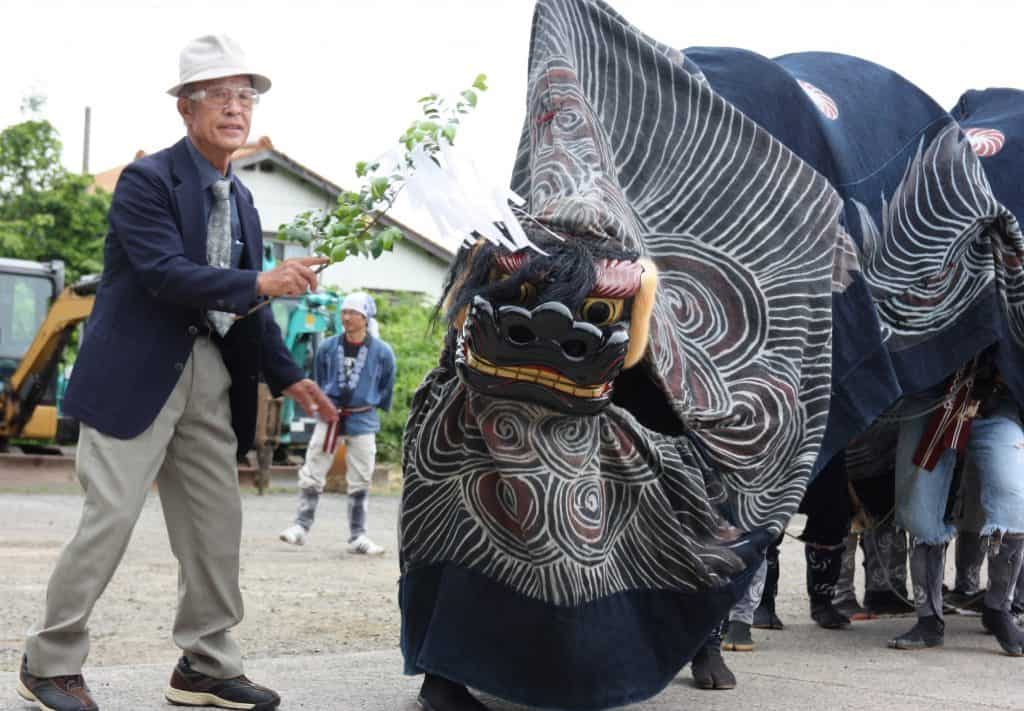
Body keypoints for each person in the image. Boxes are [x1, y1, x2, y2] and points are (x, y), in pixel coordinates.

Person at [16, 34, 336, 711]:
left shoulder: (244, 199)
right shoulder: (147, 180)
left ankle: (206, 664)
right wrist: (261, 278)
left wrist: (288, 376)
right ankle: (49, 662)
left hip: (210, 376)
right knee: (111, 518)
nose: (234, 108)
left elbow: (253, 306)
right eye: (218, 95)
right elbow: (166, 274)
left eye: (244, 96)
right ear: (186, 110)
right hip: (138, 374)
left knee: (216, 525)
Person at [889, 349, 1024, 656]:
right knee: (920, 514)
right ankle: (928, 621)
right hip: (930, 401)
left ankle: (998, 610)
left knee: (1014, 501)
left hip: (997, 403)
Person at [279, 292, 395, 555]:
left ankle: (358, 535)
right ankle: (300, 526)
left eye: (353, 313)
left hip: (363, 418)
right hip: (329, 415)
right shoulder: (328, 347)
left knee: (361, 476)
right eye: (344, 312)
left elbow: (387, 383)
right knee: (313, 468)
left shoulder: (382, 352)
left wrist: (375, 406)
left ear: (365, 318)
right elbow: (319, 377)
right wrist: (324, 404)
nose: (346, 317)